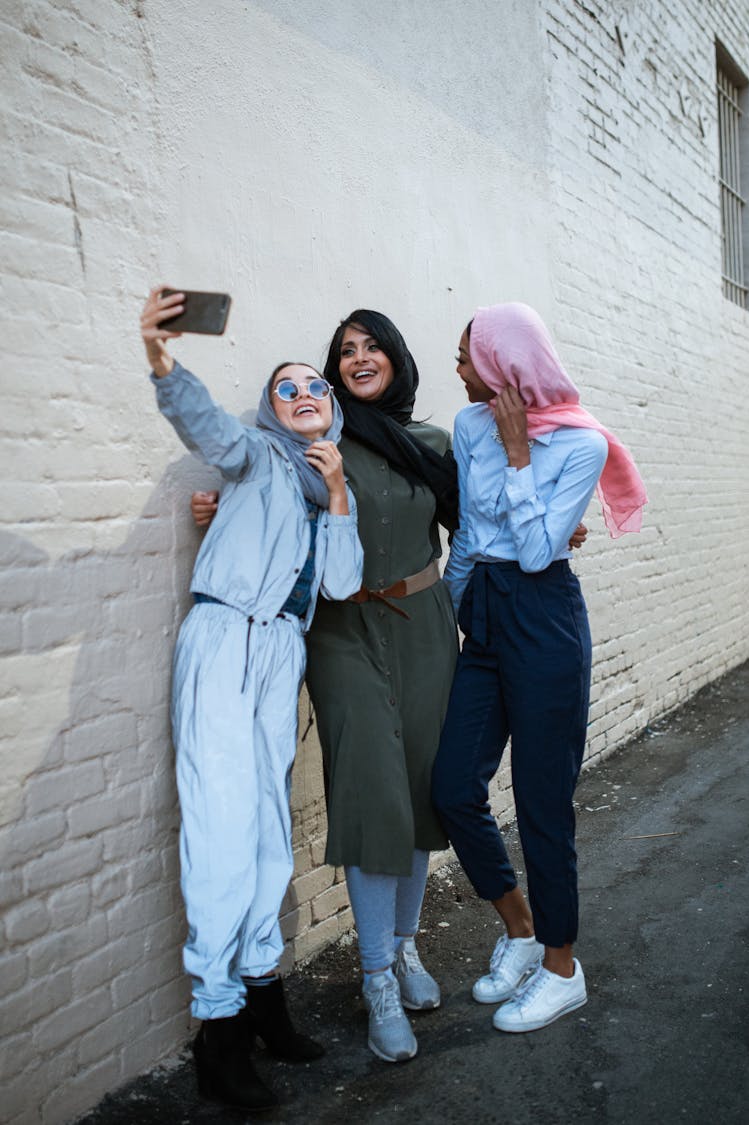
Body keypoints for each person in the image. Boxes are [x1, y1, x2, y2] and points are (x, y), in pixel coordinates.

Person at [191, 308, 589, 1062]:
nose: (359, 358)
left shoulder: (437, 445)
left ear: (397, 358)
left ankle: (404, 949)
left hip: (427, 624)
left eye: (372, 346)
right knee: (374, 794)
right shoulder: (315, 445)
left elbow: (489, 516)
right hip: (343, 634)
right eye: (345, 350)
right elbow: (262, 491)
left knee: (418, 793)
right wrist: (216, 510)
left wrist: (564, 521)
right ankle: (376, 977)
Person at [140, 286, 363, 1110]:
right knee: (222, 827)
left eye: (317, 388)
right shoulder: (254, 458)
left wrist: (338, 493)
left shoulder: (325, 486)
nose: (305, 396)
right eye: (288, 389)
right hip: (224, 638)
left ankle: (264, 990)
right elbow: (207, 429)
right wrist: (164, 359)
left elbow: (340, 581)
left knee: (269, 825)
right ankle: (218, 1026)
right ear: (271, 412)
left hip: (279, 651)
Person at [431, 301, 647, 1034]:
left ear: (501, 363)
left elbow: (533, 551)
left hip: (546, 618)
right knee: (455, 785)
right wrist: (461, 606)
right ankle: (520, 928)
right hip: (486, 616)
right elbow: (469, 532)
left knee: (542, 802)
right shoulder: (466, 426)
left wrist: (521, 455)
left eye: (467, 355)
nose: (458, 367)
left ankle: (562, 967)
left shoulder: (582, 444)